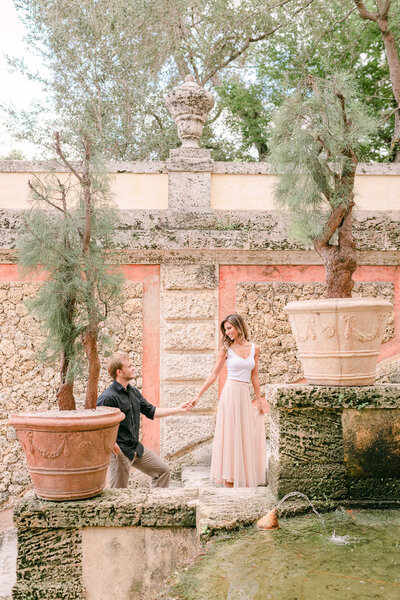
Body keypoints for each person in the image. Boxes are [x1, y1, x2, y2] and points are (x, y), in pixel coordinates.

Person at [189, 313, 266, 488]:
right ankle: (229, 481)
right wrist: (198, 395)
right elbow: (214, 374)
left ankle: (243, 479)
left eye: (229, 328)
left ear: (239, 327)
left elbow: (255, 377)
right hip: (230, 395)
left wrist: (259, 400)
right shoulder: (225, 350)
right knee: (231, 436)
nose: (227, 332)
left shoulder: (255, 348)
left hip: (244, 395)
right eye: (225, 329)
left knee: (244, 434)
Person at [97, 351, 190, 488]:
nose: (133, 368)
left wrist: (178, 409)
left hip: (136, 448)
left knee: (163, 471)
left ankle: (155, 506)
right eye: (129, 366)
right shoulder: (108, 397)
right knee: (119, 494)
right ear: (119, 372)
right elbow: (102, 429)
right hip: (120, 452)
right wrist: (118, 452)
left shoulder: (133, 391)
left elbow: (151, 411)